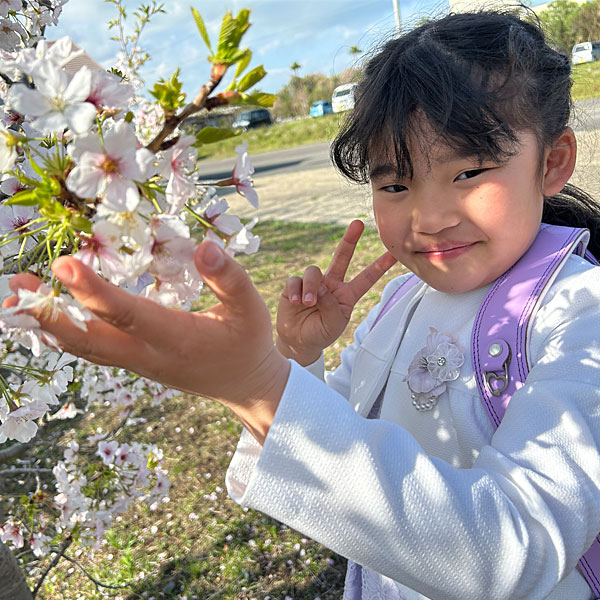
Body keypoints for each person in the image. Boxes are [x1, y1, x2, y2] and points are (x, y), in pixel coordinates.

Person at [6, 8, 600, 600]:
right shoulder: (404, 298)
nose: (428, 218)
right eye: (395, 184)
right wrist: (294, 355)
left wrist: (257, 385)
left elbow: (510, 552)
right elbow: (320, 440)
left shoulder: (581, 314)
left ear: (551, 162)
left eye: (468, 171)